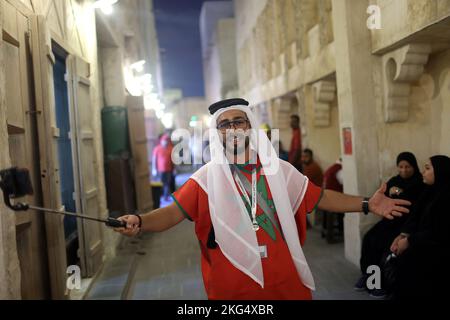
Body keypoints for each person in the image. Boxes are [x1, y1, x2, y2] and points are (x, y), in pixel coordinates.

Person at [115, 98, 410, 300]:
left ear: (249, 126)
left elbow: (319, 197)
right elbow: (171, 214)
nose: (232, 128)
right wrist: (140, 221)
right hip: (233, 284)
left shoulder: (279, 170)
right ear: (217, 132)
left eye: (238, 121)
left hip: (283, 279)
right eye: (224, 124)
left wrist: (366, 205)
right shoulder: (205, 179)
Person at [354, 152, 425, 298]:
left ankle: (381, 283)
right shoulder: (394, 180)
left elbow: (412, 200)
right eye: (401, 167)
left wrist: (399, 191)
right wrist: (393, 192)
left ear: (414, 166)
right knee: (369, 238)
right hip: (389, 221)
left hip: (406, 224)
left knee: (385, 245)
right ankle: (369, 276)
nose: (404, 170)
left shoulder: (420, 182)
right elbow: (383, 197)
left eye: (408, 167)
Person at [389, 155, 450, 300]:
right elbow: (415, 217)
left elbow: (439, 231)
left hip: (437, 250)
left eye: (428, 168)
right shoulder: (429, 191)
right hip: (420, 241)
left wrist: (410, 241)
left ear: (441, 172)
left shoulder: (446, 197)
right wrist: (404, 235)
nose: (423, 172)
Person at [321, 158, 344, 243]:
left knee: (328, 214)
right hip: (332, 197)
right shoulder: (340, 170)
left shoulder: (331, 168)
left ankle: (325, 231)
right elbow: (343, 182)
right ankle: (330, 237)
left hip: (324, 195)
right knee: (341, 210)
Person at [152, 134, 174, 201]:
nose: (166, 142)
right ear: (161, 141)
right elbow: (154, 159)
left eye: (167, 140)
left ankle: (165, 197)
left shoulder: (171, 148)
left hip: (169, 169)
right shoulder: (157, 149)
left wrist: (174, 169)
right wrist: (154, 169)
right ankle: (160, 197)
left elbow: (173, 159)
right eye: (164, 140)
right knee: (160, 184)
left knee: (167, 183)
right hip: (160, 170)